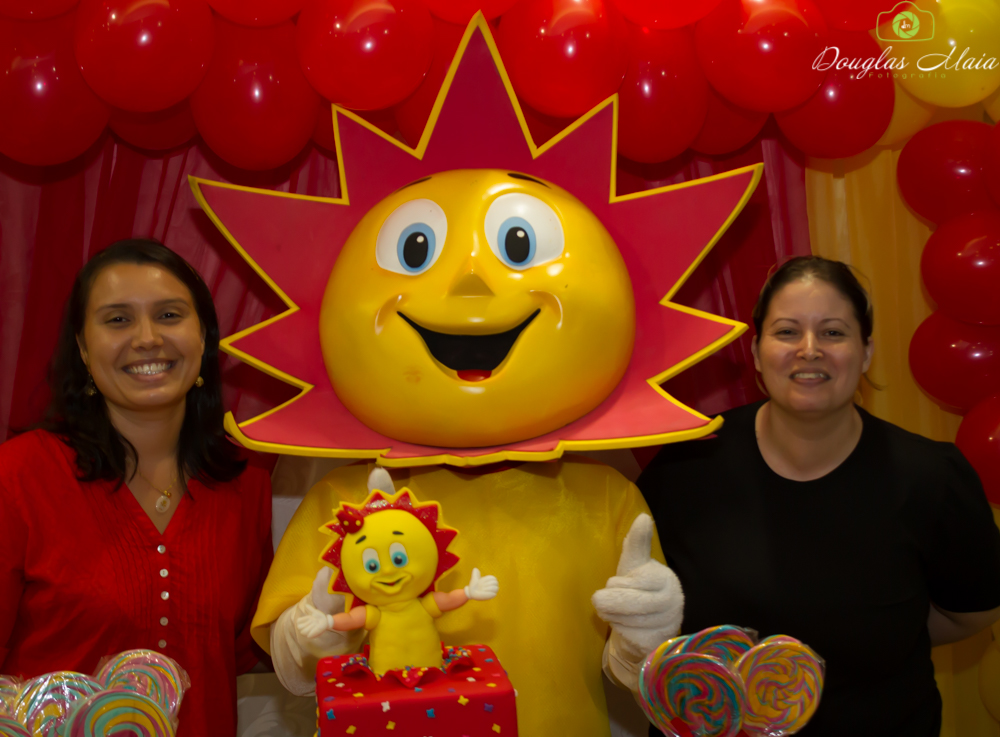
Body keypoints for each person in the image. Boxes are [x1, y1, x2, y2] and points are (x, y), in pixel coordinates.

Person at [637, 255, 1000, 736]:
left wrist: (884, 638)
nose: (809, 350)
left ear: (865, 352)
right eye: (787, 332)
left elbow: (971, 612)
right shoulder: (687, 464)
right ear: (756, 351)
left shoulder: (932, 478)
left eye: (833, 332)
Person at [0, 239, 273, 737]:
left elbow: (244, 651)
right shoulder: (18, 475)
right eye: (118, 320)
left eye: (169, 315)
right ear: (83, 348)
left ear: (204, 338)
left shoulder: (245, 479)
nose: (147, 338)